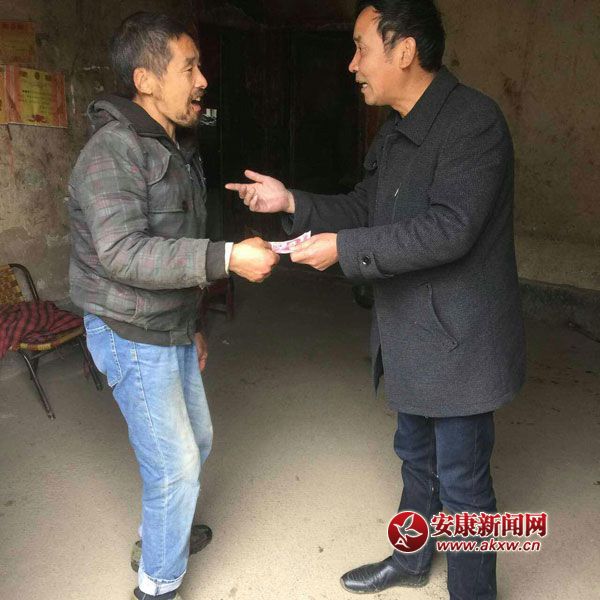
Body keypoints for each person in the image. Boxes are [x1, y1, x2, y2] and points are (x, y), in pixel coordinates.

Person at [225, 1, 526, 598]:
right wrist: (293, 202)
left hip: (459, 344)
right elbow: (367, 206)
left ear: (405, 50)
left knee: (464, 485)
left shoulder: (473, 123)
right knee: (414, 456)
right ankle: (412, 560)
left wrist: (345, 249)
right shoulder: (396, 131)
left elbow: (450, 229)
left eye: (362, 48)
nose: (352, 64)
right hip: (409, 332)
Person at [69, 12, 279, 600]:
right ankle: (157, 586)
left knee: (196, 442)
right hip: (129, 329)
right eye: (189, 68)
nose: (202, 79)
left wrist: (192, 325)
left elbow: (172, 243)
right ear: (146, 80)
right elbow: (123, 253)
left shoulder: (174, 146)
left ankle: (161, 534)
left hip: (167, 325)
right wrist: (227, 257)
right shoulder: (111, 152)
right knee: (175, 465)